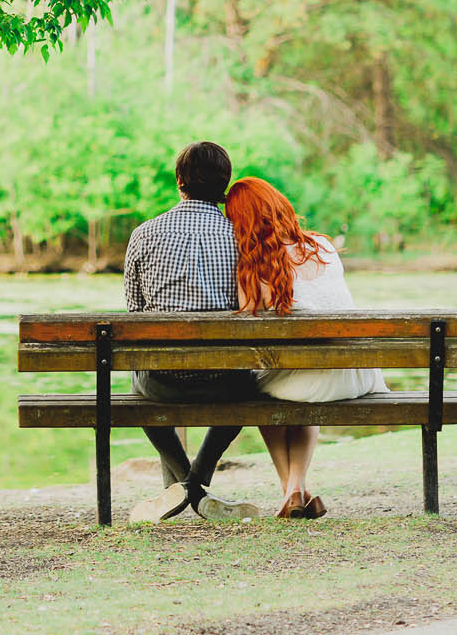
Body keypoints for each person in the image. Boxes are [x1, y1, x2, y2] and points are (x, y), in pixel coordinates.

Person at [224, 176, 388, 520]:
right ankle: (295, 490)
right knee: (303, 377)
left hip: (309, 379)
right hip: (356, 374)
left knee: (261, 389)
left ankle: (292, 488)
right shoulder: (323, 247)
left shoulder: (255, 265)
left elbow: (248, 329)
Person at [124, 141, 261, 523]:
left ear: (179, 181)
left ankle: (184, 487)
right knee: (250, 390)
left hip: (160, 383)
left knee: (139, 389)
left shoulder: (144, 234)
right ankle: (197, 484)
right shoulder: (242, 237)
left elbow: (134, 313)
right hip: (227, 383)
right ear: (224, 184)